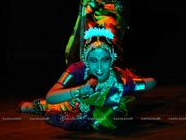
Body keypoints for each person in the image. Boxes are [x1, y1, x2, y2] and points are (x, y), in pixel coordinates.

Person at [17, 27, 156, 132]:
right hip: (82, 98)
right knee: (69, 102)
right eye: (94, 60)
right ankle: (38, 106)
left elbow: (152, 82)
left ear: (112, 59)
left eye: (105, 60)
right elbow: (51, 96)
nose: (100, 67)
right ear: (86, 60)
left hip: (114, 101)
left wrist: (136, 85)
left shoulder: (122, 81)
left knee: (112, 114)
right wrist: (80, 90)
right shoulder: (77, 69)